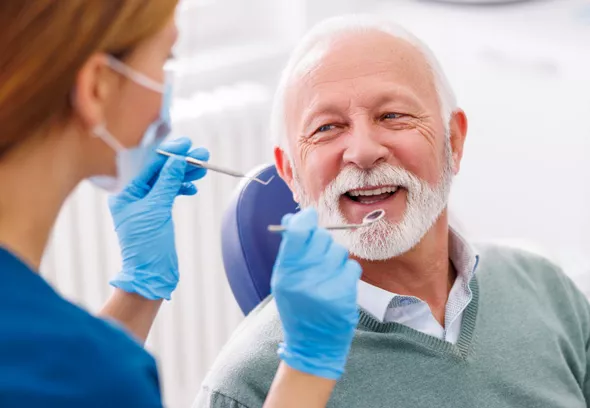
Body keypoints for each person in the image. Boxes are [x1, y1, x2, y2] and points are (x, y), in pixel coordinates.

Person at [194, 14, 590, 408]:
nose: (363, 152)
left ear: (453, 141)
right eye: (327, 127)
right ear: (290, 173)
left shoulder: (547, 290)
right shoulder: (247, 388)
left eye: (392, 116)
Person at [0, 2, 361, 407]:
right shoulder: (93, 374)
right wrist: (307, 367)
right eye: (165, 58)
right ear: (97, 87)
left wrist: (140, 287)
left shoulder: (66, 364)